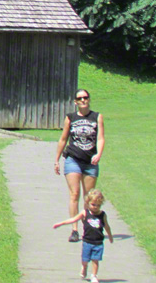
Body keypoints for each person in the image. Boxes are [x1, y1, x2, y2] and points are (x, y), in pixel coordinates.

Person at [53, 88, 105, 242]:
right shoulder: (71, 118)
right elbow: (63, 139)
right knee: (74, 194)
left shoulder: (97, 117)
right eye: (80, 98)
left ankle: (88, 228)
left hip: (90, 162)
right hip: (73, 159)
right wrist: (56, 160)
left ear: (89, 99)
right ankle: (74, 230)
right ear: (75, 102)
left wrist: (98, 154)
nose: (83, 100)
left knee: (89, 197)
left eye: (85, 98)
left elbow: (101, 138)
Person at [52, 189, 113, 283]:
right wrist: (61, 223)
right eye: (93, 204)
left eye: (98, 205)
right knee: (85, 260)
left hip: (98, 243)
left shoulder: (102, 215)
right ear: (88, 203)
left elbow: (107, 227)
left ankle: (94, 275)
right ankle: (84, 268)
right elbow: (73, 219)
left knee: (95, 260)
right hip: (87, 242)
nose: (95, 207)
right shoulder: (85, 213)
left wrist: (110, 236)